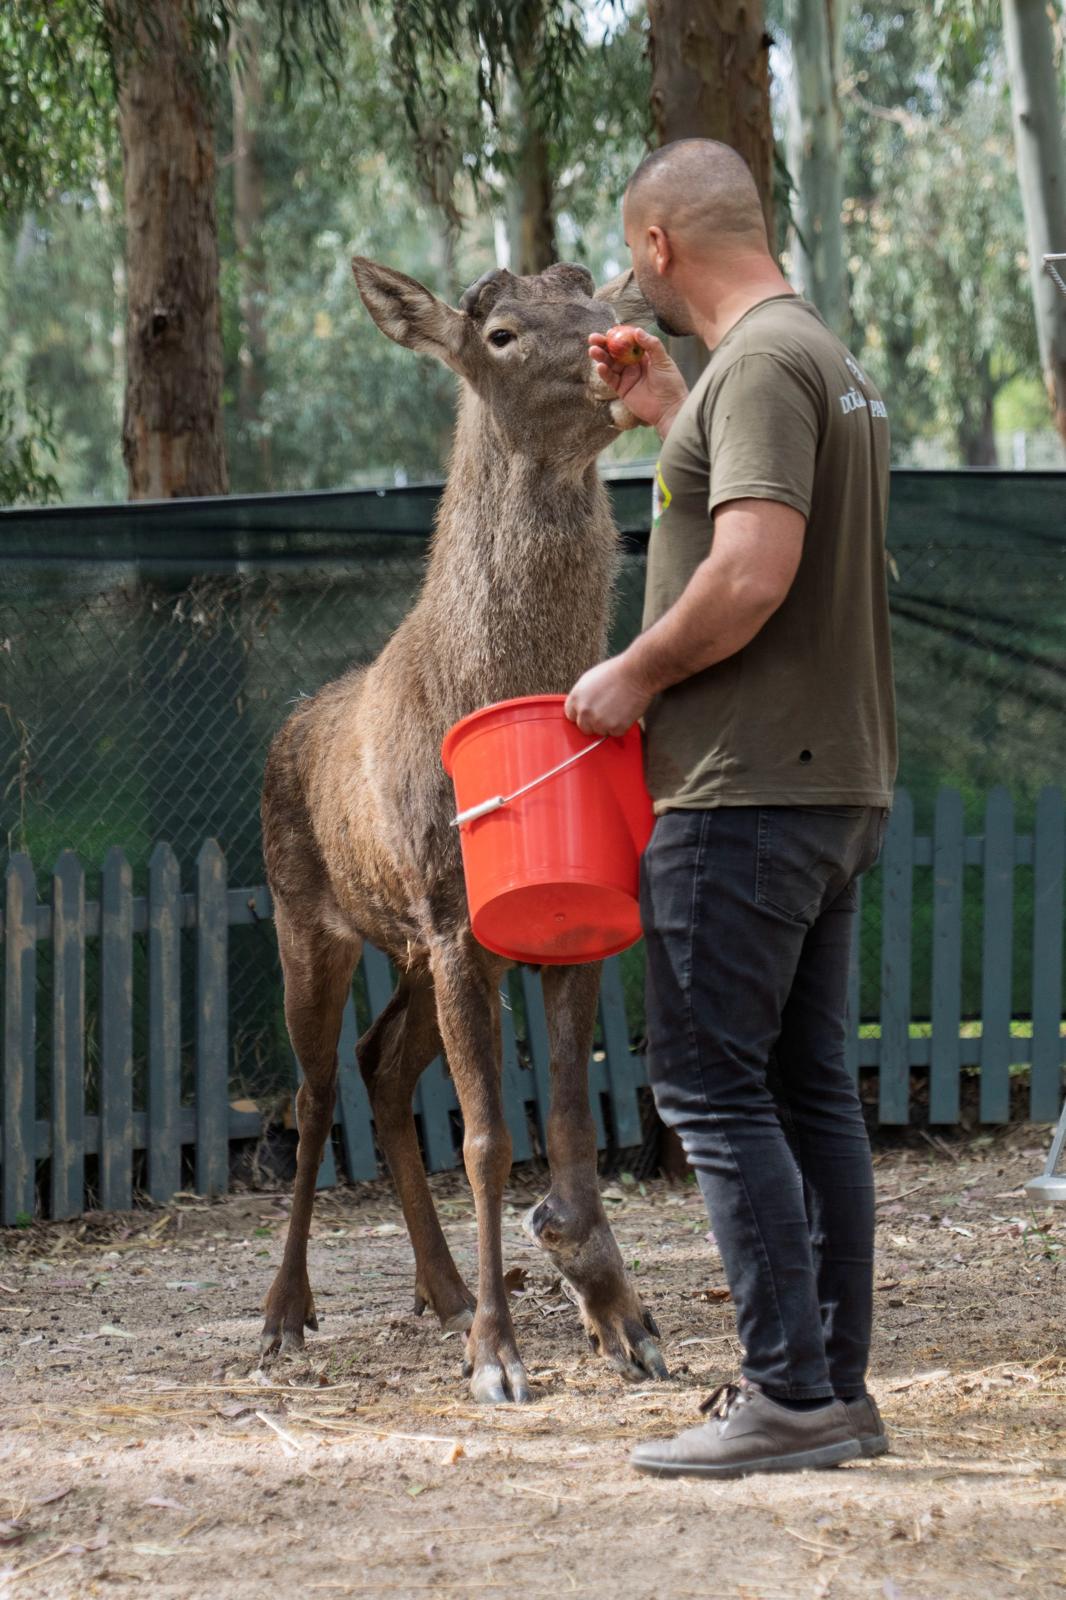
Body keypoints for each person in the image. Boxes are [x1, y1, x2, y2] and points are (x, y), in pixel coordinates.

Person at [566, 138, 897, 1480]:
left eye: (624, 252)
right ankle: (831, 1392)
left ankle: (784, 1394)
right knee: (807, 1090)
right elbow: (744, 508)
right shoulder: (808, 358)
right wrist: (670, 411)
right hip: (826, 780)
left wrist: (629, 676)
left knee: (708, 1084)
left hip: (745, 788)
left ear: (655, 249)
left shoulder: (761, 365)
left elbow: (753, 572)